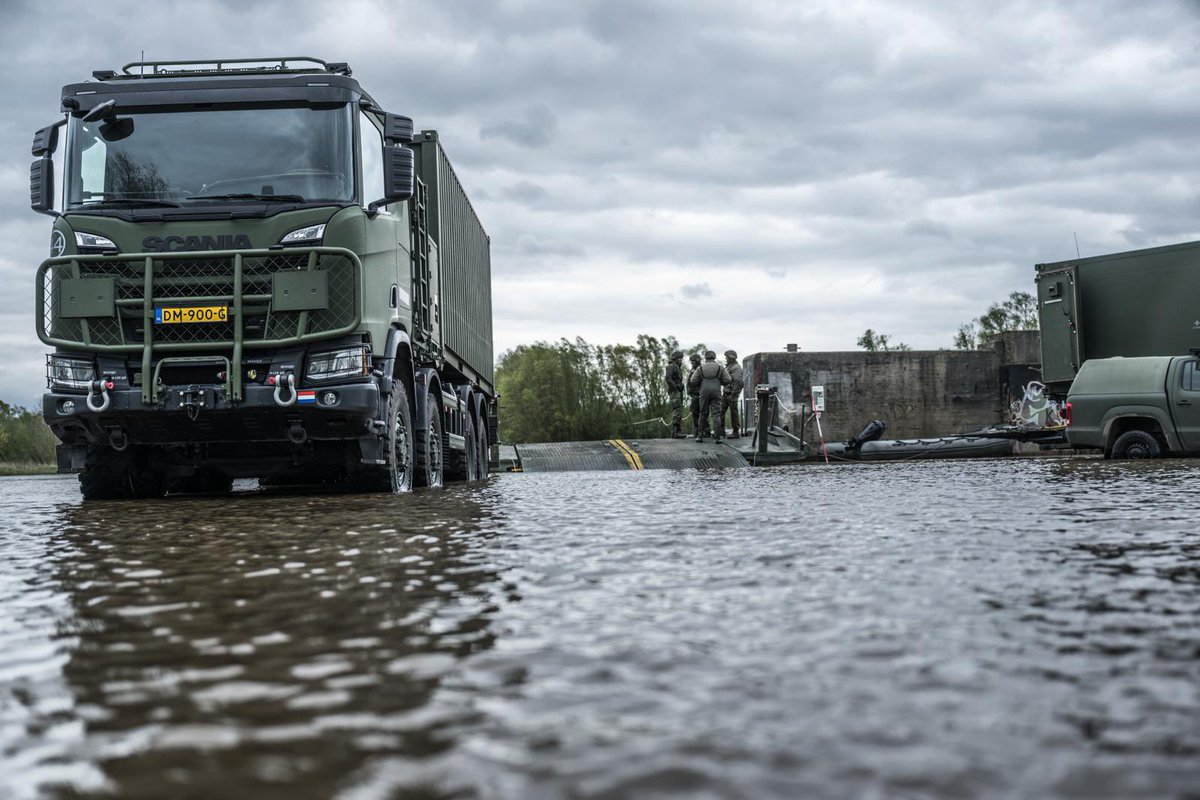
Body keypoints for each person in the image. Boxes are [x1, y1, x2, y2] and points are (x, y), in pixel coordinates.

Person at [689, 350, 731, 442]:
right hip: (716, 391)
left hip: (704, 391)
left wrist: (701, 382)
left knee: (703, 413)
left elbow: (692, 380)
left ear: (706, 358)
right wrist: (720, 382)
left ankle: (700, 436)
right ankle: (717, 437)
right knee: (716, 414)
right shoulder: (720, 368)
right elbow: (728, 379)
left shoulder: (700, 368)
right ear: (714, 357)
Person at [723, 350, 745, 438]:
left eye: (727, 357)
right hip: (726, 392)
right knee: (720, 412)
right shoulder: (729, 367)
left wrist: (734, 394)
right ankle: (721, 431)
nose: (726, 358)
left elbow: (738, 382)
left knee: (734, 413)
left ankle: (735, 432)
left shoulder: (736, 368)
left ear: (731, 358)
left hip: (732, 393)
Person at [664, 350, 685, 438]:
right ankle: (676, 432)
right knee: (677, 411)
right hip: (675, 392)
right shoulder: (671, 366)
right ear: (675, 359)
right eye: (680, 359)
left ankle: (676, 432)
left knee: (678, 411)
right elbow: (668, 378)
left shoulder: (676, 367)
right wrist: (675, 388)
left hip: (677, 392)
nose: (681, 361)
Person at [686, 353, 706, 438]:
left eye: (693, 361)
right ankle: (697, 431)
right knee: (695, 413)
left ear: (697, 361)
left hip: (699, 394)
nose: (691, 363)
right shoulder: (693, 370)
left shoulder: (700, 369)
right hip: (694, 394)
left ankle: (703, 431)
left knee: (701, 413)